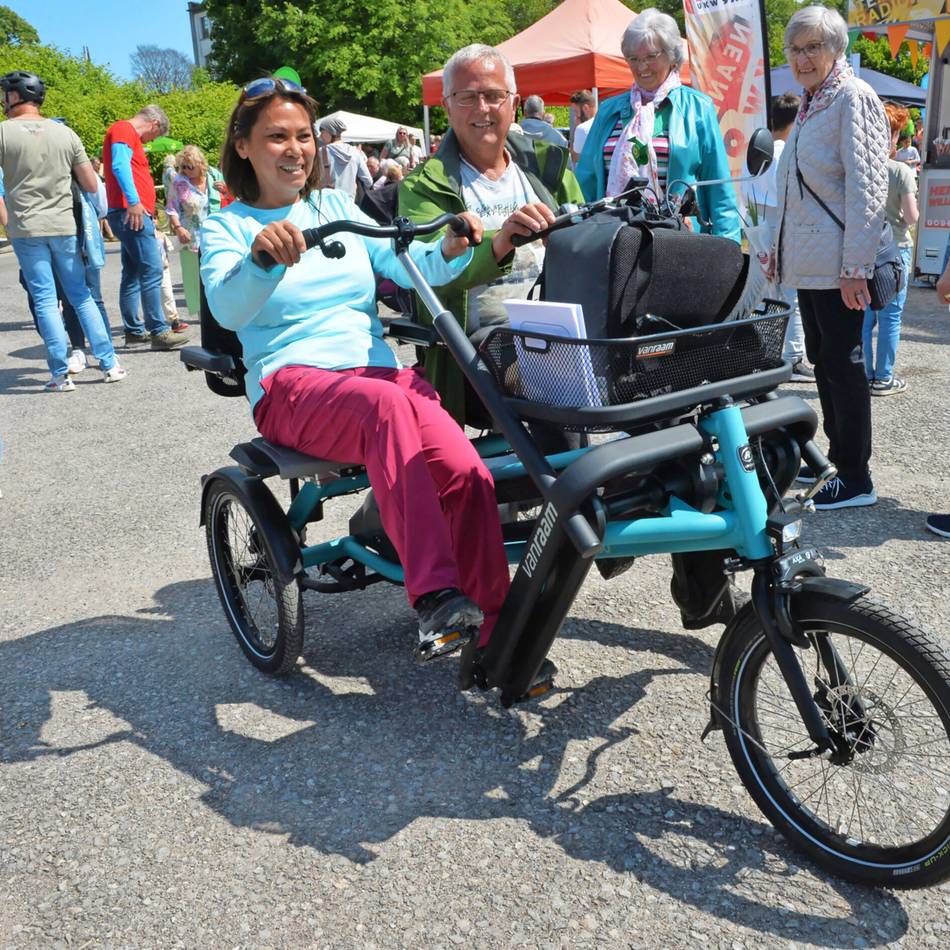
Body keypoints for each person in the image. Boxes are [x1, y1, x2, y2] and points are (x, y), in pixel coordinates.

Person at [199, 76, 508, 660]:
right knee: (388, 405)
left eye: (303, 136)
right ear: (243, 146)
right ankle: (435, 596)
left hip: (375, 382)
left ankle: (498, 638)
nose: (296, 149)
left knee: (469, 475)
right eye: (277, 137)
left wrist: (447, 248)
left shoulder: (336, 206)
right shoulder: (227, 226)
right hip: (291, 385)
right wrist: (261, 259)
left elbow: (405, 261)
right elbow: (227, 308)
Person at [399, 43, 585, 434]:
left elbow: (589, 239)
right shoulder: (423, 186)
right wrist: (501, 242)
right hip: (476, 348)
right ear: (447, 108)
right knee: (556, 380)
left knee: (655, 359)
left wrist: (568, 243)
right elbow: (426, 275)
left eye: (493, 95)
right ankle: (573, 475)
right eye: (467, 98)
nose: (482, 109)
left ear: (513, 104)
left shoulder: (549, 167)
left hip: (564, 329)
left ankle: (659, 466)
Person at [772, 6, 889, 510]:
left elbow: (868, 188)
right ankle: (839, 461)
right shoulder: (813, 101)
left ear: (836, 49)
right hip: (812, 261)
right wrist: (776, 250)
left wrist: (855, 267)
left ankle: (856, 475)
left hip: (839, 263)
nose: (802, 58)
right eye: (795, 49)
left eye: (813, 47)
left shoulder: (852, 97)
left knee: (843, 364)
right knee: (825, 362)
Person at [0, 70, 124, 390]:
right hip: (64, 224)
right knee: (81, 295)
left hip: (25, 228)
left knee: (45, 300)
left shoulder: (2, 132)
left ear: (15, 96)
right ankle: (110, 364)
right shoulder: (65, 133)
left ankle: (60, 374)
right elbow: (91, 184)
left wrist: (8, 218)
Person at [575, 8, 740, 241]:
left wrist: (729, 247)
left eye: (651, 56)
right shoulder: (609, 111)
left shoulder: (698, 108)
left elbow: (719, 190)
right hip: (613, 240)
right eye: (633, 59)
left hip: (678, 240)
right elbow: (585, 181)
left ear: (672, 56)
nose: (642, 67)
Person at [103, 105, 191, 349]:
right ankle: (159, 331)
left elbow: (123, 166)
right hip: (130, 212)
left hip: (128, 212)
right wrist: (134, 202)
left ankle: (133, 330)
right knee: (152, 269)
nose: (151, 140)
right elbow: (119, 165)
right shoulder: (125, 129)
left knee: (132, 273)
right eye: (156, 135)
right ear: (155, 124)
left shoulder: (124, 131)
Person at [741, 93, 813, 383]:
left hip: (757, 229)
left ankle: (768, 352)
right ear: (795, 121)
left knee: (766, 296)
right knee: (791, 296)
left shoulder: (755, 152)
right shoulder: (787, 152)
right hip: (782, 230)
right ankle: (793, 357)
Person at [863, 102, 918, 396]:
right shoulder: (901, 172)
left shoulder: (860, 169)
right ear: (893, 135)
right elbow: (912, 217)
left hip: (863, 250)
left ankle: (863, 374)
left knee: (864, 317)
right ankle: (884, 378)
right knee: (890, 317)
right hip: (895, 251)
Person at [165, 144, 225, 319]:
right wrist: (178, 228)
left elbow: (236, 198)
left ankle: (220, 313)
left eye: (189, 166)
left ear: (200, 164)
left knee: (217, 274)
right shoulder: (179, 182)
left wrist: (226, 190)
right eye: (182, 166)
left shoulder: (215, 176)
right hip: (190, 238)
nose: (185, 170)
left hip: (216, 236)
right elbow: (171, 208)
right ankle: (202, 317)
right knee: (194, 281)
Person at [317, 117, 373, 199]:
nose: (320, 136)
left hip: (327, 202)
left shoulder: (320, 152)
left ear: (330, 132)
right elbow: (368, 182)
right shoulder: (355, 152)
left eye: (322, 132)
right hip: (349, 203)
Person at [569, 89, 597, 164]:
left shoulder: (582, 129)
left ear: (585, 108)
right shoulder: (606, 122)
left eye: (576, 111)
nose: (575, 116)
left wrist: (575, 129)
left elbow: (574, 158)